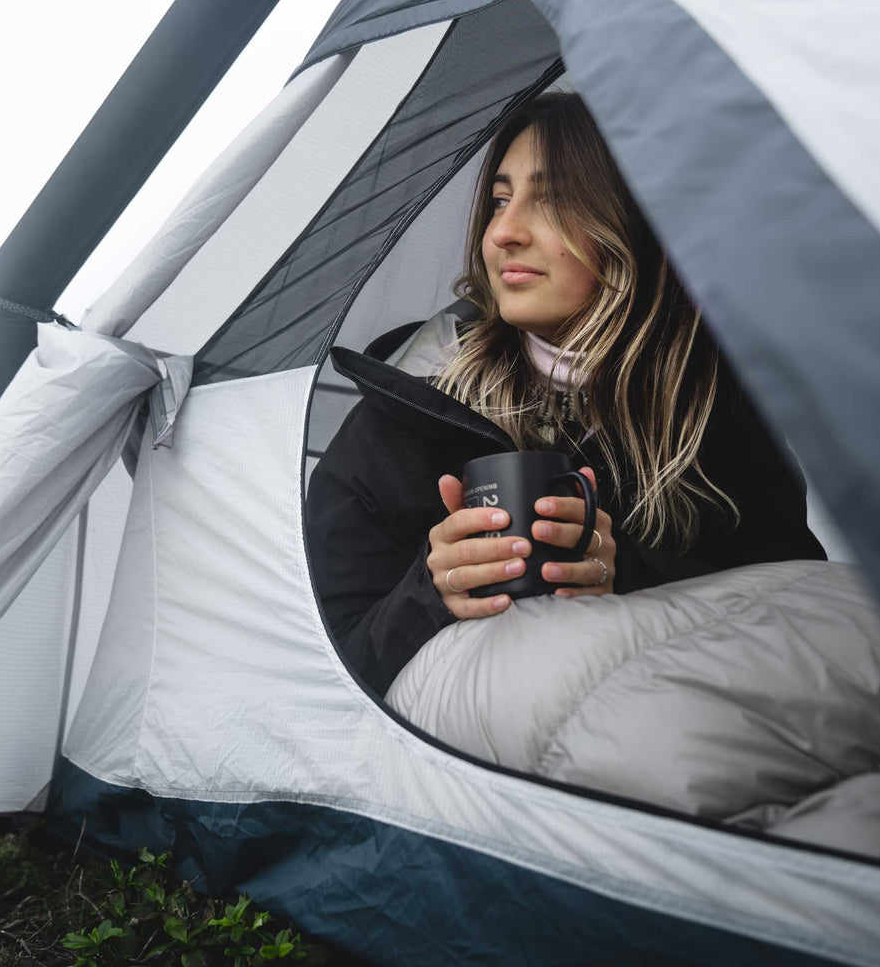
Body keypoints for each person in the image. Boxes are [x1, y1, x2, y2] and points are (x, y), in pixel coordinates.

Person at [307, 92, 825, 697]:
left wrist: (624, 573)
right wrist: (433, 591)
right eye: (500, 201)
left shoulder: (712, 405)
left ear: (633, 221)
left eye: (552, 201)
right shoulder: (407, 412)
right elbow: (323, 675)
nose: (502, 232)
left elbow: (794, 612)